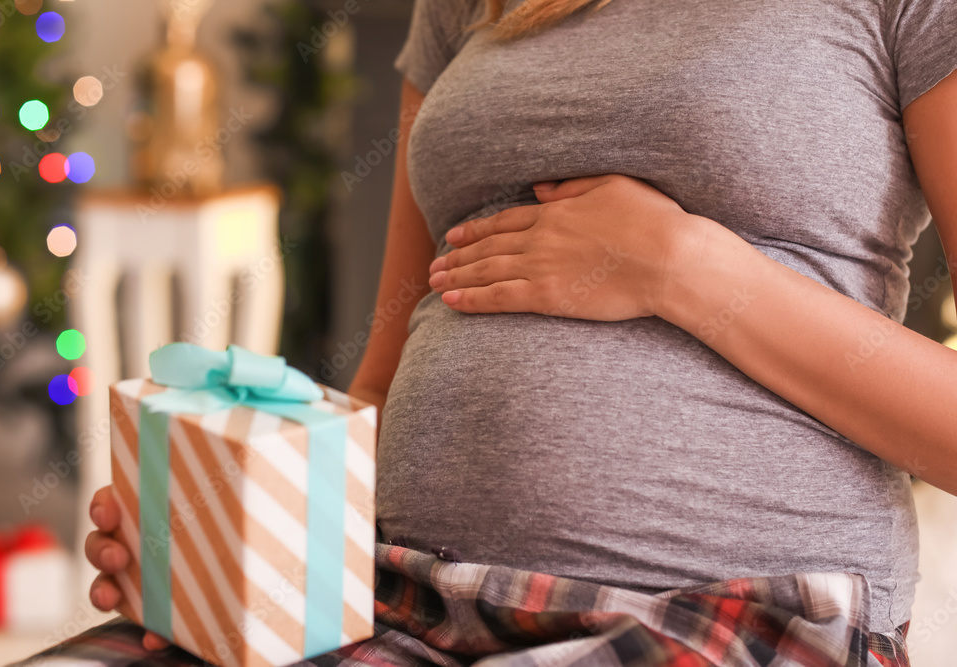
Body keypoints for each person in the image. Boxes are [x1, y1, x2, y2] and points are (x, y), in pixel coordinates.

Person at [84, 0, 957, 663]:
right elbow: (384, 376)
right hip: (400, 591)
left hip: (724, 608)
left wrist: (682, 267)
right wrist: (236, 526)